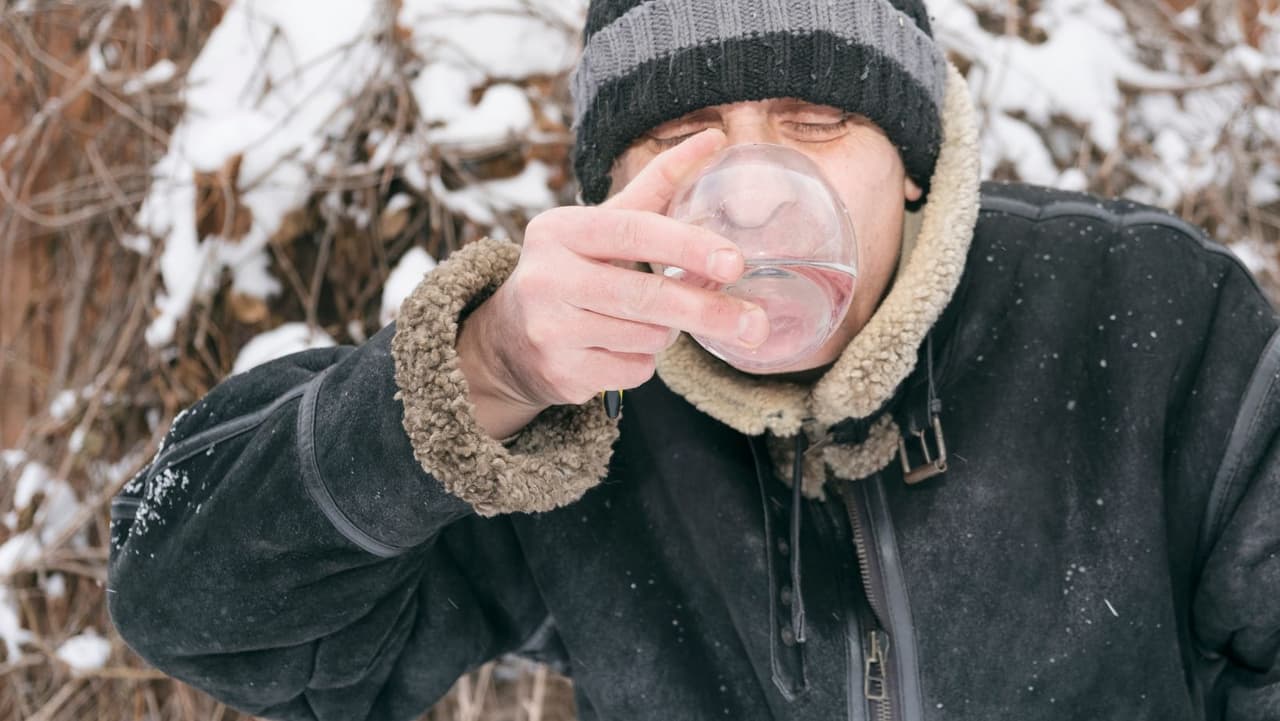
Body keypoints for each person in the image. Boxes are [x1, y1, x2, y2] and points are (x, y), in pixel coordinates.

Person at [108, 0, 1280, 719]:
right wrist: (479, 377)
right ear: (615, 188)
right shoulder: (575, 400)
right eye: (679, 139)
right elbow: (197, 606)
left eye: (816, 125)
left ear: (912, 159)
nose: (757, 203)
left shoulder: (1150, 316)